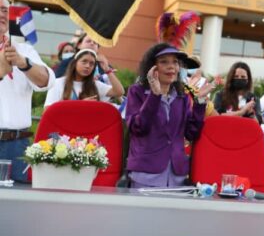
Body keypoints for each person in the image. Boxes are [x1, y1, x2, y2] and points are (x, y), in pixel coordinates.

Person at [125, 43, 213, 188]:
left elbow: (192, 133)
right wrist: (154, 95)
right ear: (152, 67)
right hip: (146, 174)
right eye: (164, 61)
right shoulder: (137, 92)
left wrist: (200, 102)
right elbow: (138, 128)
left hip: (176, 176)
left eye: (175, 62)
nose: (171, 66)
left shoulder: (182, 96)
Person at [0, 0, 55, 181]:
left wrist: (24, 64)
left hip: (17, 144)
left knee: (16, 204)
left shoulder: (24, 50)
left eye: (5, 10)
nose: (2, 15)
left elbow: (47, 81)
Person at [44, 48, 124, 107]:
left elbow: (119, 92)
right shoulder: (58, 83)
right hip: (63, 128)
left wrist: (107, 70)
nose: (87, 66)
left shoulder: (95, 85)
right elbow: (48, 110)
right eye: (84, 61)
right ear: (75, 63)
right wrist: (80, 104)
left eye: (91, 63)